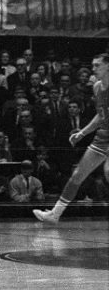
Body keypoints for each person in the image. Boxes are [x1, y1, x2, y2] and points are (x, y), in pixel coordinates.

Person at [34, 53, 109, 222]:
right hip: (102, 138)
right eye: (93, 65)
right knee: (77, 175)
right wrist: (82, 133)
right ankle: (55, 214)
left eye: (97, 65)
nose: (94, 68)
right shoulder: (97, 87)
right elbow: (101, 115)